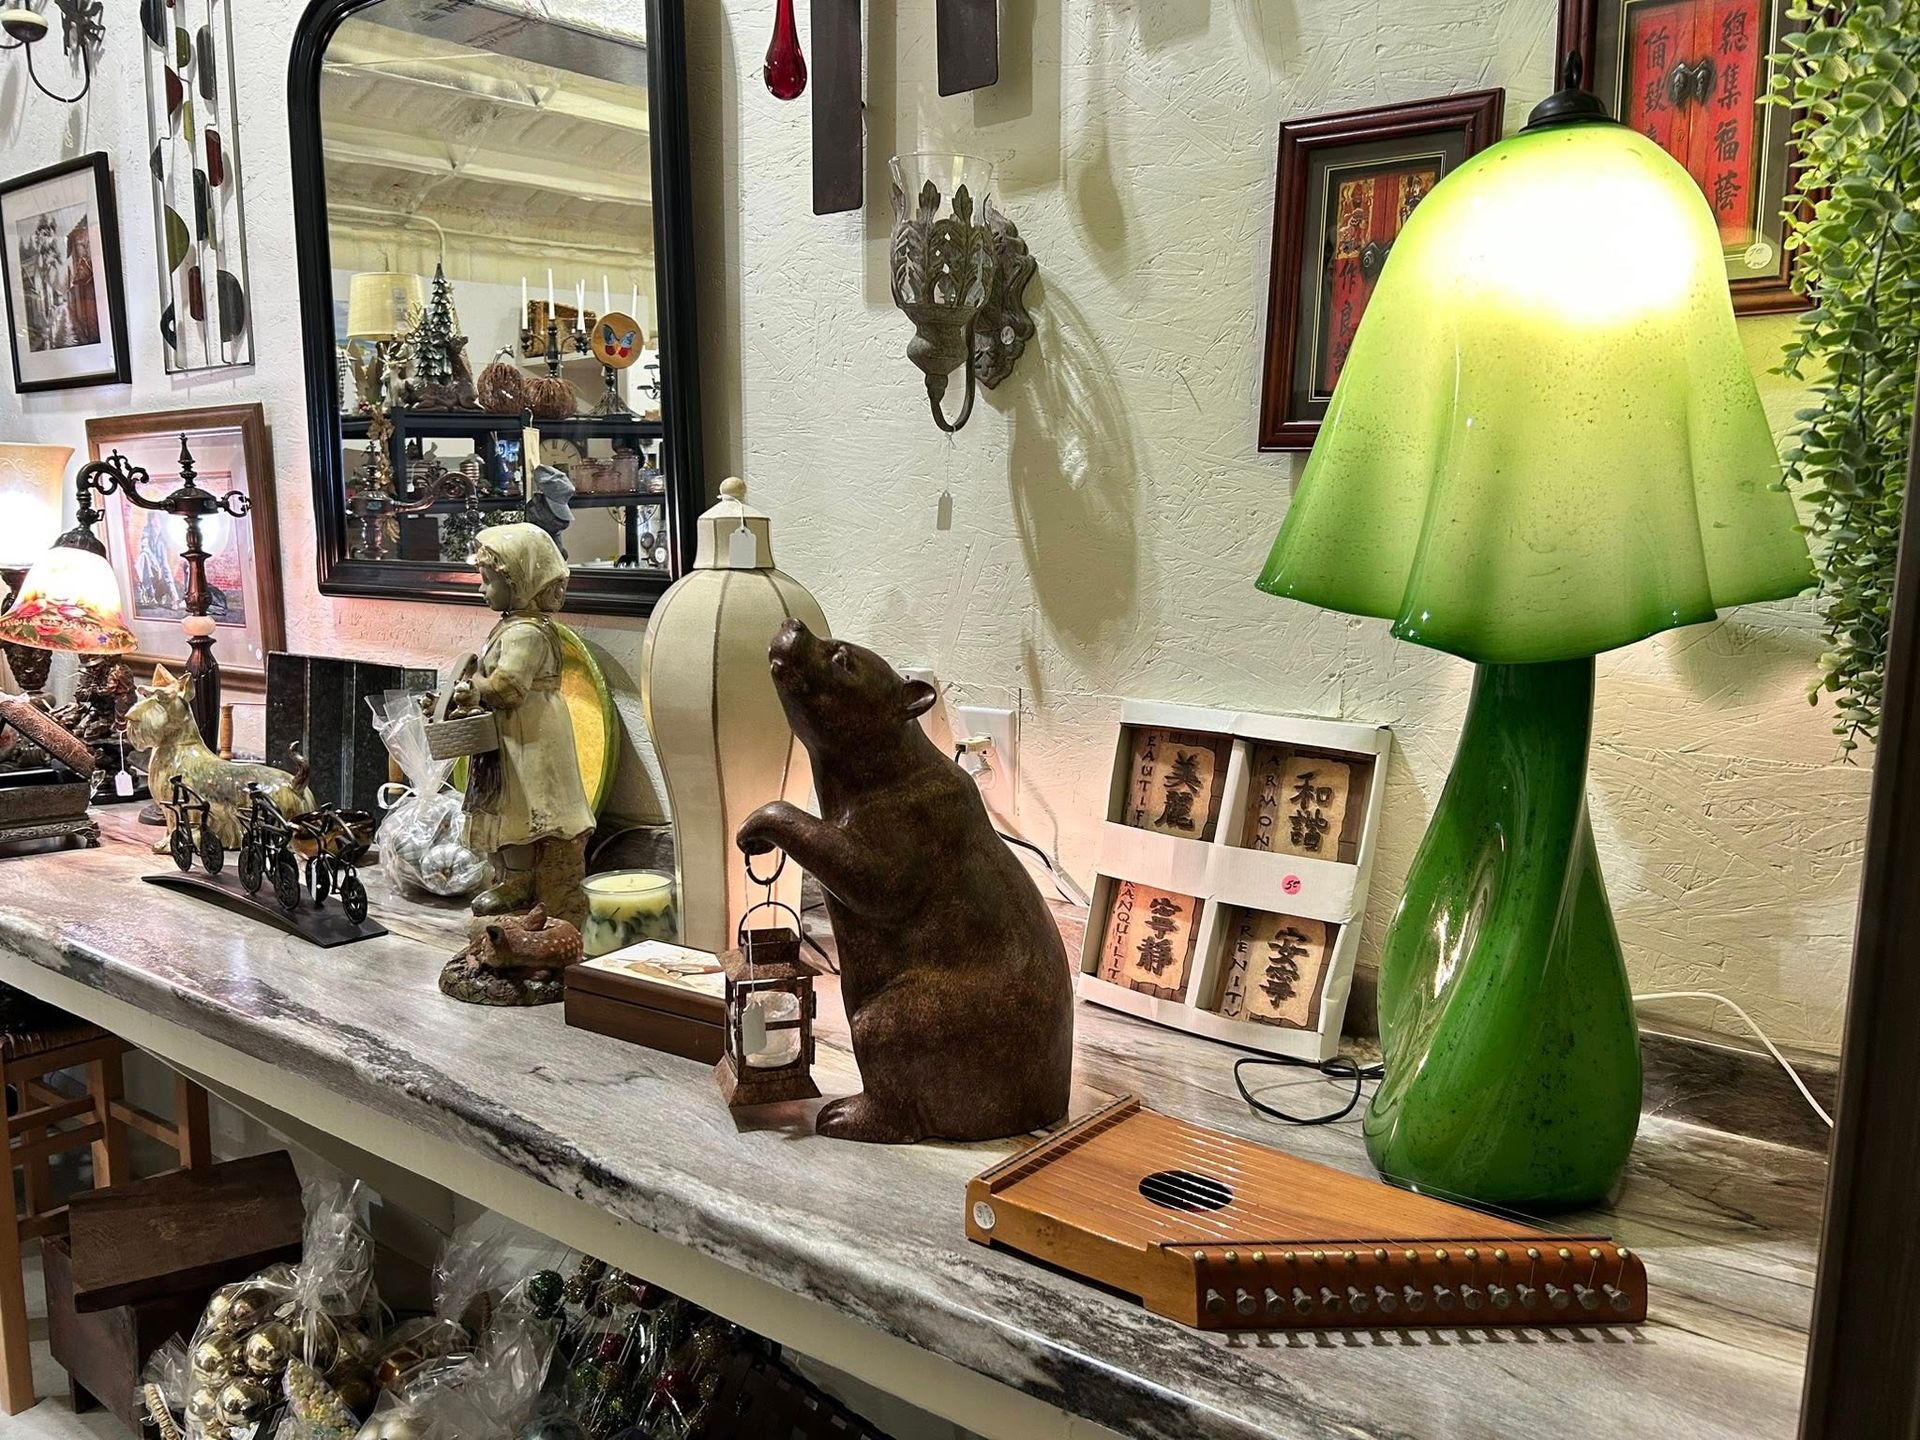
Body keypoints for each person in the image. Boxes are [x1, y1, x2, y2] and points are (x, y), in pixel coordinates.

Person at [452, 523, 593, 929]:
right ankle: (513, 879)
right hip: (514, 732)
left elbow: (508, 687)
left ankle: (527, 881)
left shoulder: (527, 633)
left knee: (530, 803)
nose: (481, 589)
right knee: (509, 804)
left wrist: (476, 690)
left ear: (521, 582)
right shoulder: (513, 626)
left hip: (531, 734)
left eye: (488, 580)